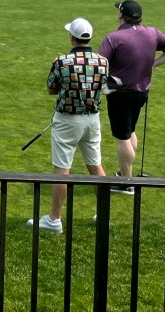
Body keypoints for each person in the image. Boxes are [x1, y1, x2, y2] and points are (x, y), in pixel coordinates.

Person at [27, 18, 109, 232]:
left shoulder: (62, 61)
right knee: (95, 166)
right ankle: (104, 215)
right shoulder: (102, 61)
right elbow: (104, 87)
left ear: (72, 37)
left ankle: (54, 220)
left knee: (62, 169)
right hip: (92, 119)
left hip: (67, 120)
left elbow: (51, 89)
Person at [98, 0, 165, 193]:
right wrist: (152, 64)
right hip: (142, 92)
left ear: (121, 15)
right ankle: (125, 172)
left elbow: (100, 64)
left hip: (120, 94)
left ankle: (126, 183)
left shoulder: (113, 38)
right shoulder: (152, 32)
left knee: (122, 137)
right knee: (130, 131)